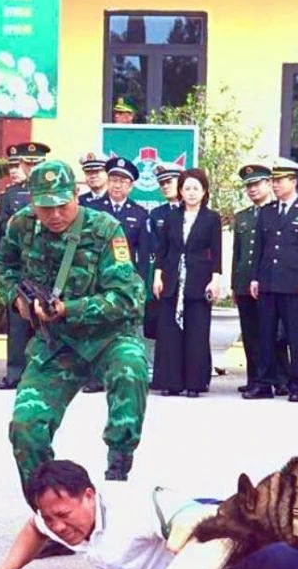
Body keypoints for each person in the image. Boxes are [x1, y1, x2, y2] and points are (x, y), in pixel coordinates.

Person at [0, 160, 148, 489]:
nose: (56, 215)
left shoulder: (105, 229)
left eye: (63, 205)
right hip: (56, 342)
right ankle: (49, 507)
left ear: (76, 194)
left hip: (109, 337)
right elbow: (3, 264)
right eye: (46, 207)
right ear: (32, 201)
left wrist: (69, 309)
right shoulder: (21, 225)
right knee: (25, 426)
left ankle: (117, 474)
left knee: (130, 369)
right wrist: (15, 298)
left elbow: (127, 298)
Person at [0, 459, 298, 569]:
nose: (58, 527)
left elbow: (192, 522)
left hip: (220, 546)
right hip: (184, 523)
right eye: (51, 517)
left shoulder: (134, 508)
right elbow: (35, 527)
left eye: (63, 516)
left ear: (88, 495)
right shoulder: (56, 517)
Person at [244, 159, 298, 402]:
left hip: (294, 284)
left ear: (294, 181)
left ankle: (296, 384)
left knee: (295, 337)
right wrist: (255, 277)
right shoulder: (267, 212)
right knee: (265, 334)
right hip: (268, 282)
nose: (275, 185)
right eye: (273, 181)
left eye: (279, 181)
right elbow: (260, 249)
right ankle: (265, 383)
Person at [151, 168, 222, 397]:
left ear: (204, 191)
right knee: (169, 332)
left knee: (196, 332)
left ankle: (194, 383)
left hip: (199, 280)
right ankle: (171, 382)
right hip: (171, 279)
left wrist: (215, 280)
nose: (191, 193)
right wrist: (157, 275)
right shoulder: (171, 216)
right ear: (180, 190)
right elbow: (162, 250)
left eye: (196, 188)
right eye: (187, 188)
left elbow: (217, 252)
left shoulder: (212, 218)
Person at [81, 156, 150, 394]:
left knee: (124, 330)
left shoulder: (139, 214)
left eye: (123, 181)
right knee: (96, 327)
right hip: (97, 278)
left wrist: (139, 285)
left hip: (124, 282)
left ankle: (122, 376)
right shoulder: (93, 210)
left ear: (131, 186)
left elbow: (144, 253)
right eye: (114, 180)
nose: (117, 185)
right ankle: (95, 377)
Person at [0, 142, 50, 390]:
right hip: (21, 264)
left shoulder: (53, 192)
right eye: (28, 164)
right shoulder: (11, 194)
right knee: (18, 321)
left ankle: (44, 373)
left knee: (47, 321)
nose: (32, 168)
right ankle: (15, 373)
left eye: (37, 163)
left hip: (49, 264)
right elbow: (3, 231)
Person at [232, 164, 290, 395]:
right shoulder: (242, 217)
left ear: (269, 183)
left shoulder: (278, 212)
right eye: (249, 186)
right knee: (250, 333)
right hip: (246, 282)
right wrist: (235, 285)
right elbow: (238, 254)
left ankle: (281, 378)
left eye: (257, 184)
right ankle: (255, 377)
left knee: (275, 334)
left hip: (270, 282)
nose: (252, 189)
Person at [144, 163, 182, 349]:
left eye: (169, 181)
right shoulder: (156, 214)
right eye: (162, 183)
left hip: (187, 277)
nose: (165, 186)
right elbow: (154, 249)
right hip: (164, 277)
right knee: (164, 330)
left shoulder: (193, 210)